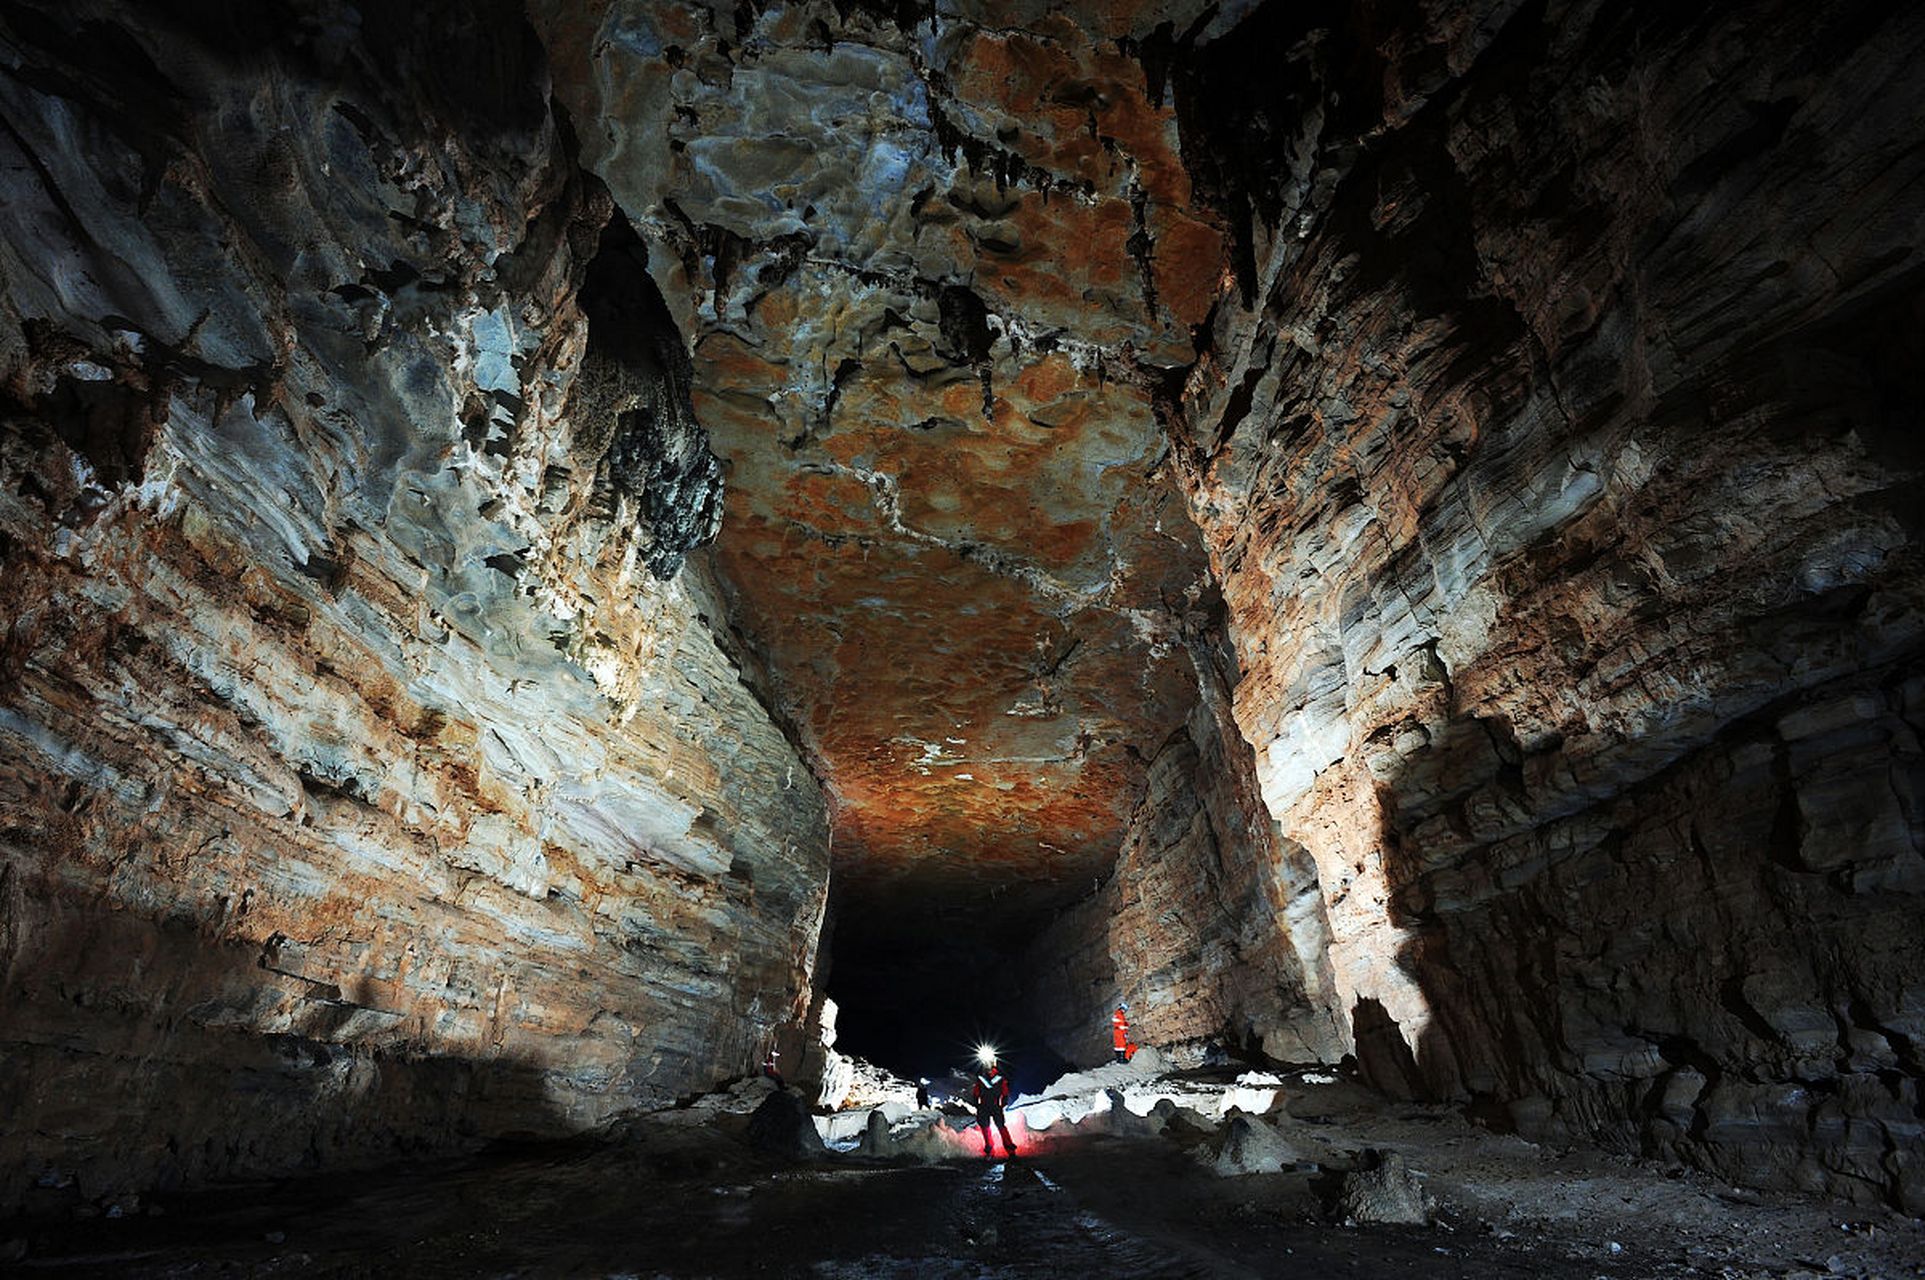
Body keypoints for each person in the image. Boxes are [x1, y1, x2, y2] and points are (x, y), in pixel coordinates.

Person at [971, 1054, 1017, 1158]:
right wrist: (976, 1103)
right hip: (986, 1106)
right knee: (986, 1128)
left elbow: (1005, 1092)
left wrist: (1003, 1103)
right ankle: (990, 1151)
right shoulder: (981, 1079)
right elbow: (976, 1092)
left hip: (993, 1106)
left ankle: (1010, 1151)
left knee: (1000, 1128)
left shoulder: (999, 1079)